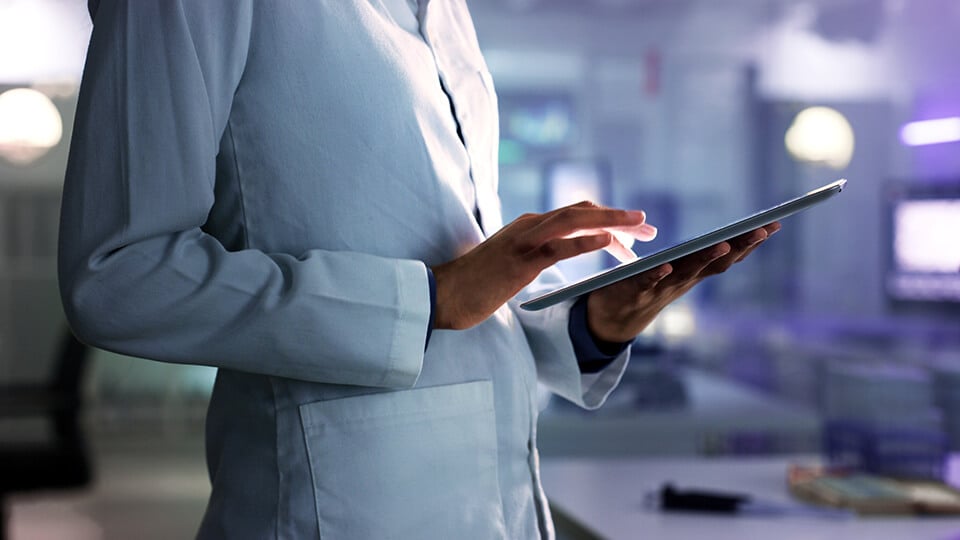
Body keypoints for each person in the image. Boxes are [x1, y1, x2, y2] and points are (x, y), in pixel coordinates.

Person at [58, 0, 778, 538]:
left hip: (495, 501)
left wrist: (592, 323)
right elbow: (118, 275)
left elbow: (457, 265)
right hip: (333, 506)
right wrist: (427, 299)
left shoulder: (442, 9)